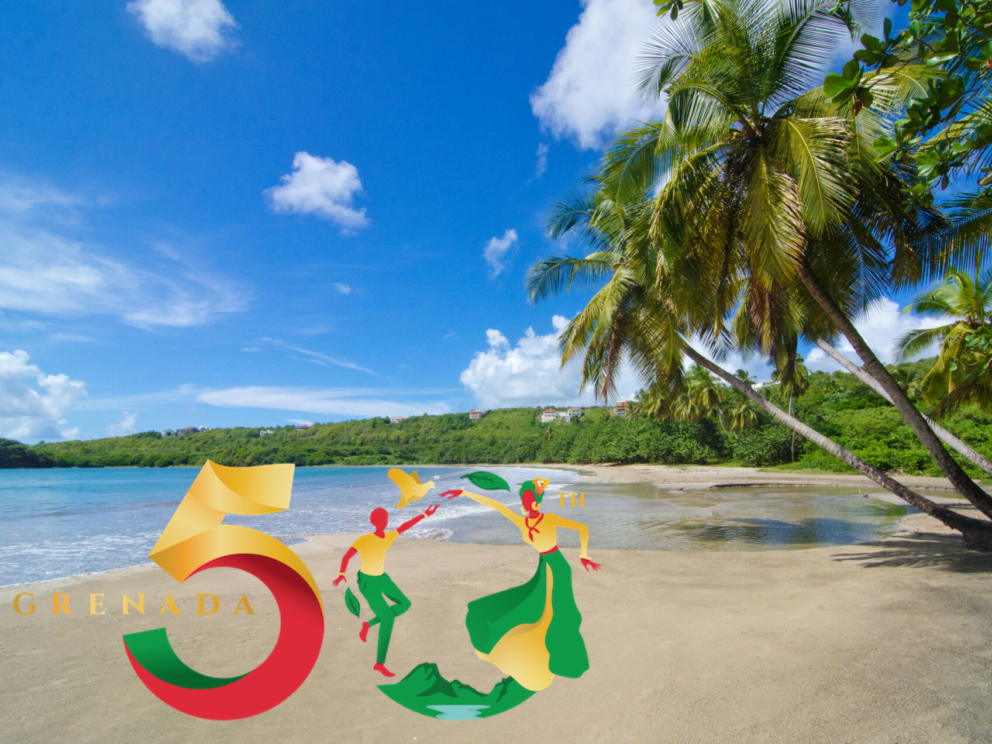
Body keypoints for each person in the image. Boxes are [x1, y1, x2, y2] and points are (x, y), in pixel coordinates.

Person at [440, 479, 601, 692]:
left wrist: (584, 555)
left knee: (560, 610)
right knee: (539, 605)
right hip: (545, 564)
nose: (527, 505)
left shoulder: (549, 519)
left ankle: (562, 657)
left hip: (558, 566)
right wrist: (465, 493)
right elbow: (497, 506)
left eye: (530, 501)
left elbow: (582, 527)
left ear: (535, 503)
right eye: (525, 501)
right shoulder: (521, 521)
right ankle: (543, 650)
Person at [333, 503, 439, 677]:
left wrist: (425, 515)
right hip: (367, 582)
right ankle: (379, 663)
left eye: (385, 519)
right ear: (374, 521)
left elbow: (405, 526)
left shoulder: (388, 537)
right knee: (388, 619)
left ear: (386, 521)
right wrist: (341, 573)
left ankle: (368, 624)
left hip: (382, 578)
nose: (383, 522)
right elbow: (347, 556)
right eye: (380, 519)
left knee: (405, 603)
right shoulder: (364, 539)